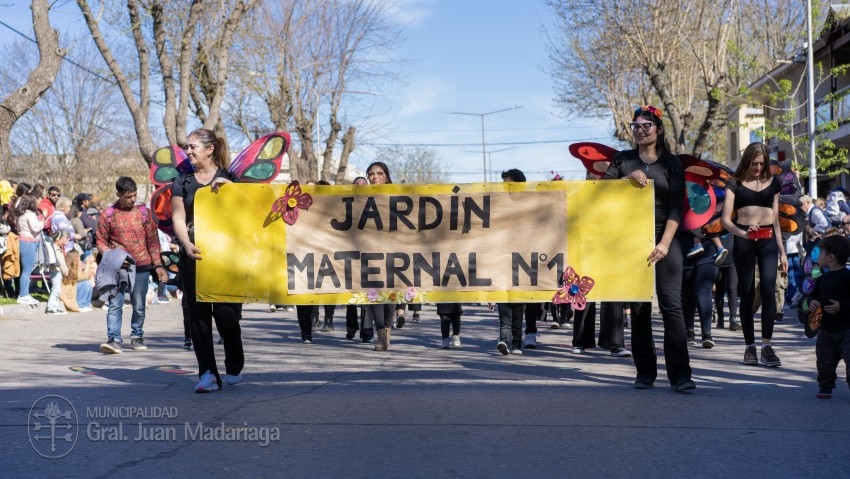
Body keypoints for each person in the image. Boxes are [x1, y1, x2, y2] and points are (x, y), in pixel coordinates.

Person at [603, 105, 694, 392]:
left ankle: (680, 375)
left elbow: (677, 205)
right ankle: (645, 372)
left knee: (672, 305)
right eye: (636, 126)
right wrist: (625, 180)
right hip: (632, 238)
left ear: (659, 129)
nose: (641, 131)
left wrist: (665, 243)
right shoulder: (623, 160)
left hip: (666, 237)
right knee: (639, 306)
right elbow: (599, 192)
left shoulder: (671, 163)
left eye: (646, 126)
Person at [172, 128, 244, 392]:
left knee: (226, 315)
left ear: (209, 149)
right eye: (187, 147)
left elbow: (247, 211)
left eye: (193, 146)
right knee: (198, 316)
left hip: (225, 257)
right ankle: (208, 373)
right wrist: (186, 244)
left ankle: (234, 363)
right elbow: (178, 217)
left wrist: (231, 190)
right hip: (193, 255)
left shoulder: (230, 178)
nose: (188, 151)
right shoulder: (182, 182)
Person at [721, 142, 788, 367]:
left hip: (768, 239)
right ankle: (750, 347)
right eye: (754, 163)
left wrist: (782, 251)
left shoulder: (774, 183)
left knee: (769, 290)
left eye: (762, 163)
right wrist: (744, 233)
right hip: (744, 239)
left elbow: (776, 220)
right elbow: (725, 220)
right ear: (747, 161)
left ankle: (767, 346)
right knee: (748, 292)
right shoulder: (734, 183)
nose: (758, 167)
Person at [96, 177, 168, 354]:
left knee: (139, 305)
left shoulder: (144, 213)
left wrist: (158, 265)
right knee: (115, 305)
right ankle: (114, 340)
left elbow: (153, 241)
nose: (132, 199)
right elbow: (101, 241)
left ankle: (137, 336)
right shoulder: (108, 214)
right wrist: (114, 257)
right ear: (118, 194)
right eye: (128, 197)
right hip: (118, 268)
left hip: (142, 267)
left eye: (134, 195)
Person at [494, 168, 539, 354]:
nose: (505, 189)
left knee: (526, 302)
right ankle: (507, 339)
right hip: (504, 261)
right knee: (506, 304)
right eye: (504, 185)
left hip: (527, 261)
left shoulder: (531, 205)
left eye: (509, 185)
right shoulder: (498, 206)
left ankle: (527, 335)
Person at [808, 234, 850, 399]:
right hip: (826, 329)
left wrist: (842, 306)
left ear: (831, 257)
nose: (818, 256)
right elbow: (814, 295)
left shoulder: (847, 277)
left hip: (847, 328)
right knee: (824, 360)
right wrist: (812, 301)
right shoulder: (822, 278)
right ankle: (825, 385)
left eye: (820, 253)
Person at [364, 161, 395, 351]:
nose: (375, 176)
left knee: (391, 296)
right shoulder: (360, 196)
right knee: (374, 293)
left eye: (379, 173)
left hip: (394, 252)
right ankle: (381, 335)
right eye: (371, 173)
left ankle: (388, 327)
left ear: (387, 176)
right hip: (371, 251)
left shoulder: (397, 194)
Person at [679, 231, 720, 348]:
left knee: (704, 291)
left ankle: (707, 334)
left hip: (708, 247)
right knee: (687, 291)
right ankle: (689, 331)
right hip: (685, 247)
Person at [14, 194, 43, 305]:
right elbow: (35, 228)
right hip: (29, 242)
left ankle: (24, 293)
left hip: (22, 240)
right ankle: (23, 295)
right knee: (27, 271)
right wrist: (42, 222)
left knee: (24, 270)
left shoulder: (21, 213)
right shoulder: (30, 214)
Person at [45, 229, 70, 315]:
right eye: (64, 238)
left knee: (57, 289)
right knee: (56, 289)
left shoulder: (54, 248)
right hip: (56, 271)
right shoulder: (57, 250)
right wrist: (66, 271)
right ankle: (51, 307)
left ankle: (55, 306)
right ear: (58, 239)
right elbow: (61, 262)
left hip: (55, 271)